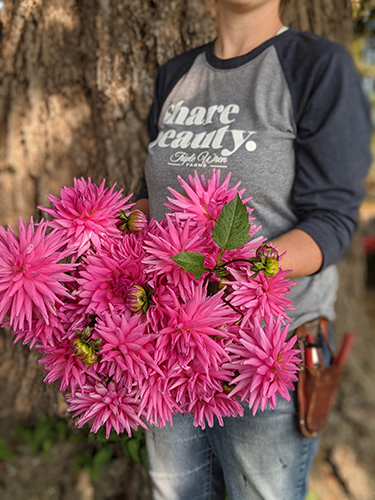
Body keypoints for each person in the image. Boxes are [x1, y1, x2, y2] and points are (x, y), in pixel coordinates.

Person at [134, 0, 372, 498]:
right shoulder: (176, 75)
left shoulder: (316, 66)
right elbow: (150, 200)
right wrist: (92, 238)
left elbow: (330, 220)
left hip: (265, 352)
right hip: (166, 347)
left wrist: (239, 272)